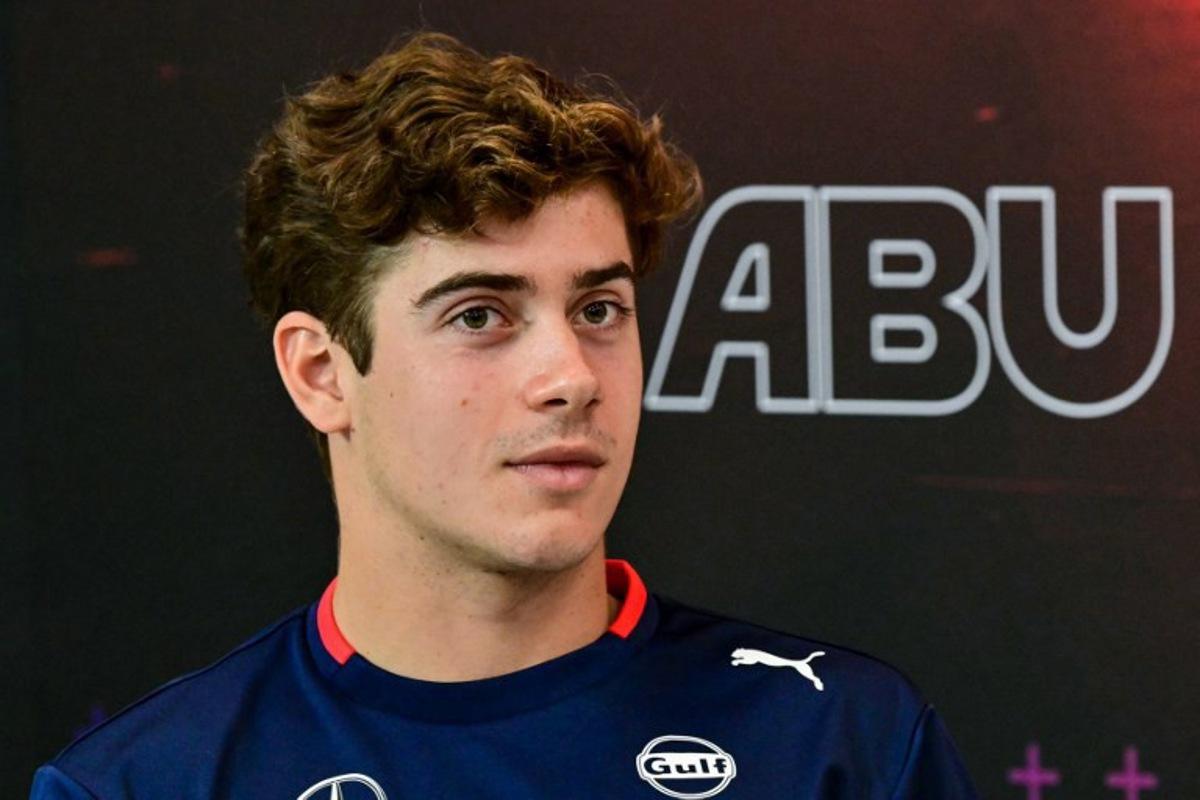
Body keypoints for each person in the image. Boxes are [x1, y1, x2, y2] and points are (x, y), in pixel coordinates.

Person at [31, 32, 978, 799]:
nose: (571, 376)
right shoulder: (145, 784)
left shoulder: (842, 745)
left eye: (598, 309)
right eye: (479, 315)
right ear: (321, 374)